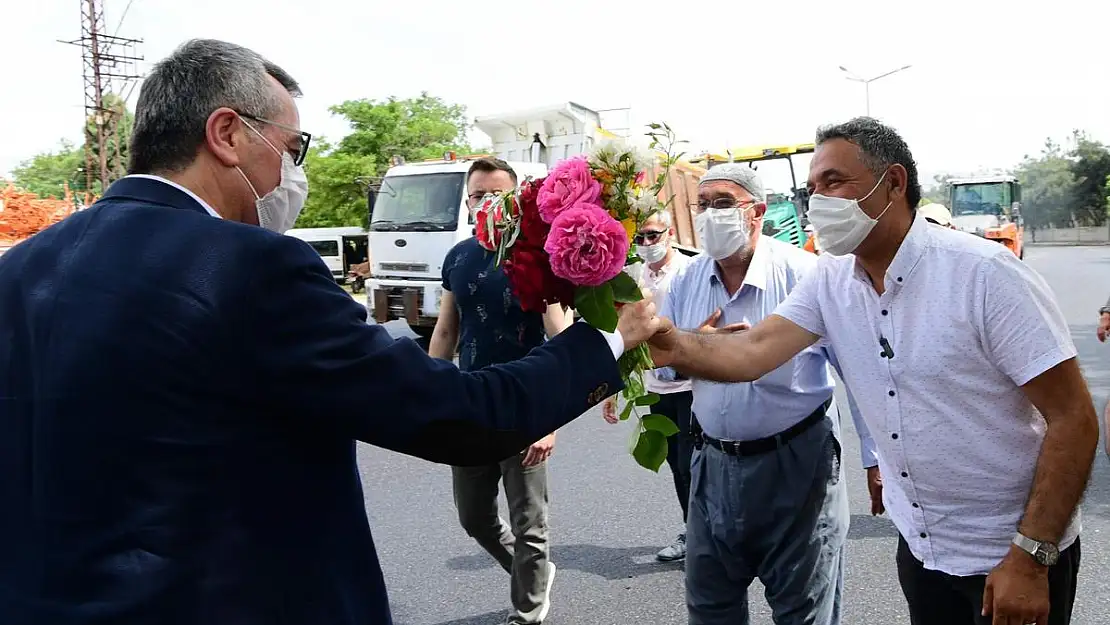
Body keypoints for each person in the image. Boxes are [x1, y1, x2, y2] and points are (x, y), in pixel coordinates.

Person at [0, 39, 661, 625]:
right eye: (292, 149)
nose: (295, 176)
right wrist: (607, 339)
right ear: (226, 133)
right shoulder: (250, 266)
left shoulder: (21, 271)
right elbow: (462, 417)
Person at [650, 117, 1098, 625]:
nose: (818, 201)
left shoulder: (985, 275)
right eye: (813, 187)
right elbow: (753, 350)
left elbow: (1073, 418)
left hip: (1011, 555)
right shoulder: (832, 282)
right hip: (924, 550)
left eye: (835, 182)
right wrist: (671, 343)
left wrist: (1032, 553)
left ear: (894, 184)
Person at [652, 164, 874, 625]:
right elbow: (664, 363)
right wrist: (694, 343)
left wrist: (877, 458)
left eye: (723, 203)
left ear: (757, 211)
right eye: (704, 204)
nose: (711, 214)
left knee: (803, 611)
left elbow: (858, 372)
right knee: (710, 607)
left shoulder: (807, 275)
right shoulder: (687, 279)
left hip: (796, 464)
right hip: (711, 466)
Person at [428, 157, 573, 625]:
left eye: (496, 195)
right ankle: (533, 573)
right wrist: (430, 394)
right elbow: (447, 332)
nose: (486, 204)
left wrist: (550, 417)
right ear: (467, 203)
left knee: (529, 521)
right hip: (470, 401)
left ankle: (527, 610)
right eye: (477, 196)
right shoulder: (458, 256)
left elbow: (562, 338)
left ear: (514, 200)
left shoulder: (536, 256)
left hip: (524, 405)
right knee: (474, 517)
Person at [601, 209, 695, 562]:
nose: (646, 244)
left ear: (669, 233)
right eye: (639, 238)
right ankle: (693, 531)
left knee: (692, 462)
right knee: (673, 461)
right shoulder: (632, 276)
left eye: (652, 235)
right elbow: (618, 331)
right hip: (655, 383)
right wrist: (613, 388)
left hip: (691, 382)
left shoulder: (689, 271)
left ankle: (708, 535)